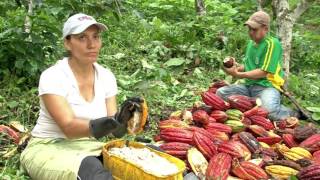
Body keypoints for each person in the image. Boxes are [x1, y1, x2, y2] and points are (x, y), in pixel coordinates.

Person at [20, 13, 143, 180]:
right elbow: (69, 128)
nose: (92, 44)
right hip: (49, 147)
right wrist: (111, 121)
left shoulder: (106, 77)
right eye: (82, 38)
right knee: (93, 171)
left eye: (96, 37)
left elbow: (114, 133)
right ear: (67, 43)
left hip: (91, 147)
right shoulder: (53, 76)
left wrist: (124, 120)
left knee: (148, 156)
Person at [216, 11, 298, 121]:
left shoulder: (272, 44)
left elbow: (264, 71)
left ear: (265, 29)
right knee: (220, 93)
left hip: (267, 87)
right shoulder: (251, 43)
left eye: (254, 29)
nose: (251, 32)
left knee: (269, 112)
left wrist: (238, 74)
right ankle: (255, 105)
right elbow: (249, 66)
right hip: (249, 87)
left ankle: (292, 113)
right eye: (249, 29)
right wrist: (235, 67)